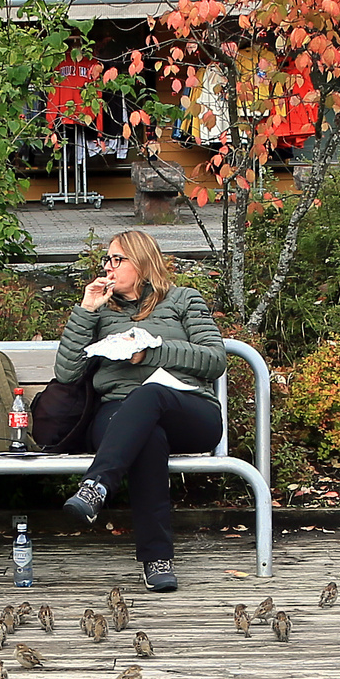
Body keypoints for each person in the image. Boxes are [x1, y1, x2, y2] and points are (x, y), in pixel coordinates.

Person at [55, 230, 227, 592]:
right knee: (147, 435)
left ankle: (96, 485)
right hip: (118, 414)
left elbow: (214, 359)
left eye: (118, 259)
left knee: (150, 396)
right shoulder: (101, 313)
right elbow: (66, 373)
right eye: (107, 260)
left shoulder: (183, 300)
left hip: (187, 408)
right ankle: (157, 560)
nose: (109, 267)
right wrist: (86, 311)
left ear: (143, 262)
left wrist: (152, 353)